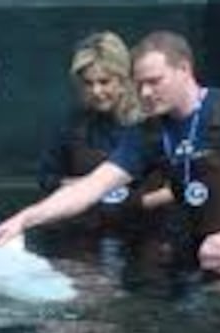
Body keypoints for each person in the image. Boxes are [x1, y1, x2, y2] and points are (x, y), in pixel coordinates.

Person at [0, 30, 220, 263]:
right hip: (205, 256)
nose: (146, 93)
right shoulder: (148, 133)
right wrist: (24, 219)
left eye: (155, 81)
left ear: (184, 70)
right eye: (140, 85)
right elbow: (90, 188)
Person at [37, 31, 172, 235]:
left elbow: (183, 183)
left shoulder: (154, 123)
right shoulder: (73, 124)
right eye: (88, 84)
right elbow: (47, 177)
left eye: (104, 82)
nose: (96, 91)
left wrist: (136, 202)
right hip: (88, 230)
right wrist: (85, 188)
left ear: (123, 79)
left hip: (148, 231)